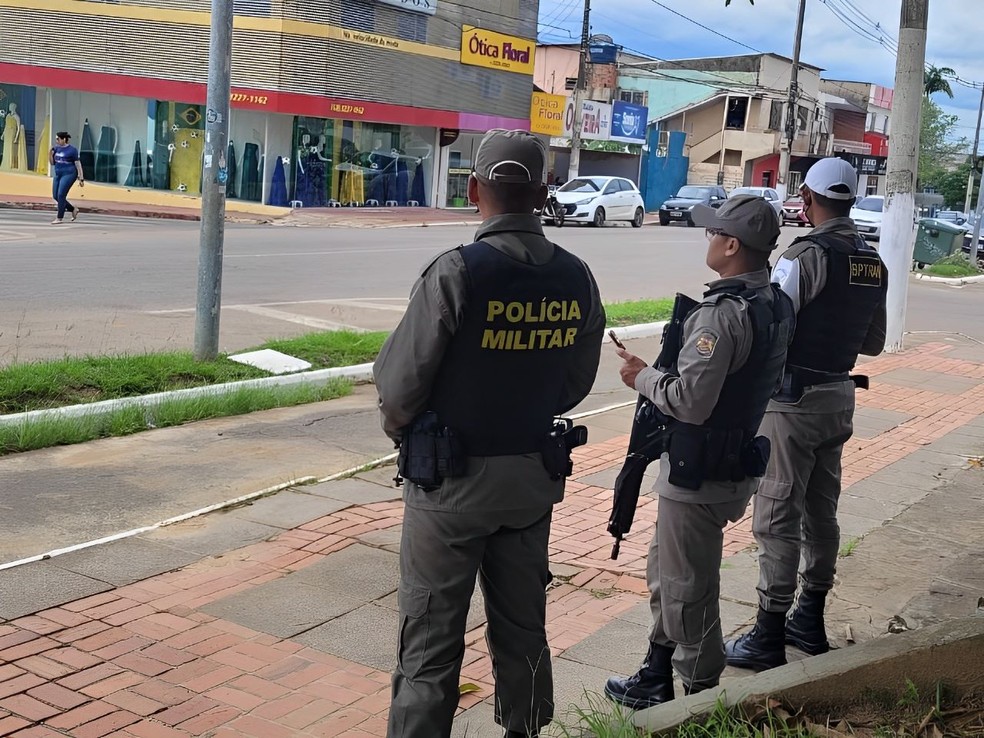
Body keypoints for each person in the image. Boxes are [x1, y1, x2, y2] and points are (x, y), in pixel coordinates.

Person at [374, 129, 606, 738]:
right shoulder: (576, 277)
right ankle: (524, 729)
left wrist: (409, 430)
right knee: (524, 628)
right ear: (543, 192)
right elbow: (576, 381)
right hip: (530, 482)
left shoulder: (455, 272)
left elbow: (399, 388)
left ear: (475, 189)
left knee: (429, 644)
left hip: (449, 489)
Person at [605, 195, 794, 707]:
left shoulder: (719, 316)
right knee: (667, 572)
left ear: (732, 245)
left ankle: (700, 698)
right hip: (731, 461)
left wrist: (641, 376)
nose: (708, 239)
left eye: (714, 233)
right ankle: (655, 673)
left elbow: (690, 400)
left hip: (699, 472)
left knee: (688, 588)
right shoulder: (774, 302)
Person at [725, 158, 887, 671]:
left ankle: (768, 634)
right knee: (822, 511)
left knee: (776, 516)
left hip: (792, 405)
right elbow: (875, 343)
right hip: (839, 398)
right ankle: (809, 618)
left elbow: (775, 326)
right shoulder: (872, 261)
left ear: (809, 200)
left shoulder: (805, 255)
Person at [49, 131, 84, 224]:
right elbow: (52, 163)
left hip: (69, 174)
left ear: (64, 139)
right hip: (58, 174)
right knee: (55, 196)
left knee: (61, 194)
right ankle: (73, 209)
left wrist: (81, 177)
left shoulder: (72, 150)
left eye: (58, 139)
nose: (57, 141)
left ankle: (59, 218)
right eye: (56, 139)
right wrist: (50, 154)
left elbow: (77, 163)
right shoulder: (56, 149)